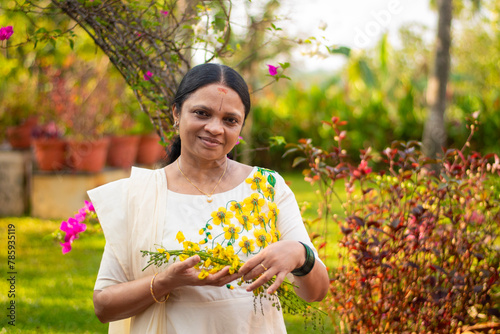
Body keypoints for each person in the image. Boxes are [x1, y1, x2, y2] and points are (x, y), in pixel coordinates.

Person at [89, 63, 330, 334]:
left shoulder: (267, 187)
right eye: (202, 113)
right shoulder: (140, 193)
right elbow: (104, 305)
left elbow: (317, 292)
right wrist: (167, 281)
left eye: (230, 120)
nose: (215, 128)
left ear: (240, 127)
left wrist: (301, 254)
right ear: (176, 113)